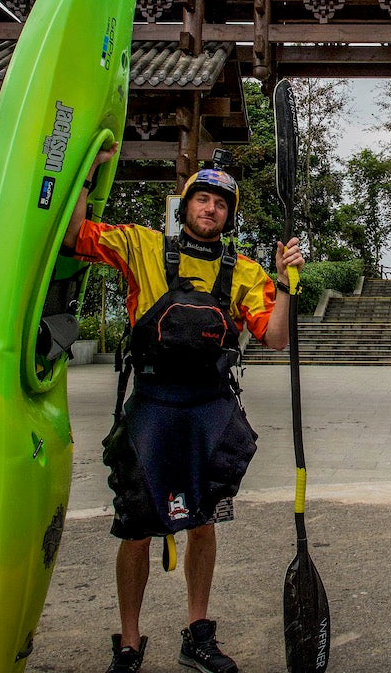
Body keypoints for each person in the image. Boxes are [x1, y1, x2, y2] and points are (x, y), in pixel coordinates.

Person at [65, 146, 305, 673]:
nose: (210, 208)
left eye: (220, 202)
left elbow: (275, 337)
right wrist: (89, 168)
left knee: (202, 522)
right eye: (201, 198)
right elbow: (74, 235)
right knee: (136, 526)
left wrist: (285, 281)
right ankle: (129, 643)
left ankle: (198, 633)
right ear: (184, 204)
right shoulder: (141, 245)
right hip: (152, 404)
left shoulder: (245, 272)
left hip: (208, 410)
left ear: (229, 214)